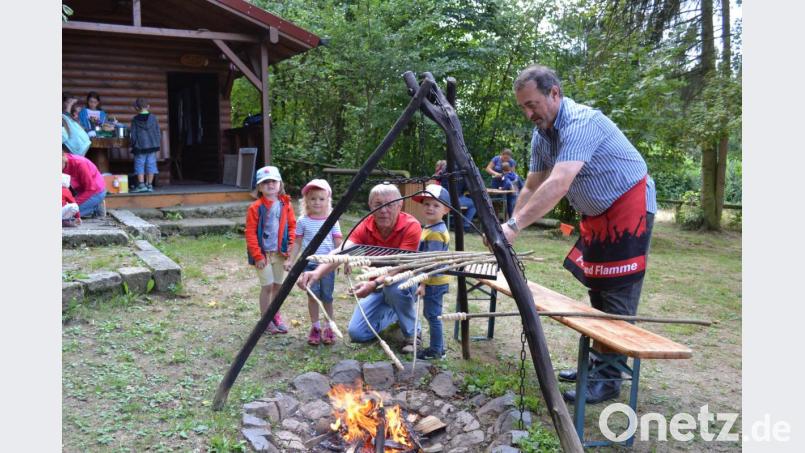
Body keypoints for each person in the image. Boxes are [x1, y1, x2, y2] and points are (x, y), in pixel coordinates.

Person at [501, 64, 657, 405]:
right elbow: (532, 184)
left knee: (617, 294)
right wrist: (509, 228)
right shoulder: (543, 134)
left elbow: (558, 183)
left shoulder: (582, 122)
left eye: (532, 104)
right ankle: (598, 364)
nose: (528, 113)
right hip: (598, 214)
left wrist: (514, 227)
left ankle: (608, 379)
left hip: (629, 207)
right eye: (523, 107)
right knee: (598, 290)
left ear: (554, 93)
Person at [297, 184, 423, 353]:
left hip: (402, 282)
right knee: (358, 333)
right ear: (370, 206)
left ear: (400, 206)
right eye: (378, 204)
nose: (383, 210)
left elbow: (402, 265)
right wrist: (317, 272)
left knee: (393, 287)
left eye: (390, 204)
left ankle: (413, 335)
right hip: (377, 287)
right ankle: (396, 311)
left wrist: (373, 284)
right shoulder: (366, 225)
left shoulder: (411, 226)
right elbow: (341, 251)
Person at [289, 179, 343, 346]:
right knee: (313, 296)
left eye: (321, 198)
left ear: (328, 201)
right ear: (306, 201)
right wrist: (290, 259)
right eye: (313, 198)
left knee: (327, 296)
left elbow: (339, 244)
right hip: (309, 264)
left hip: (327, 264)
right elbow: (297, 242)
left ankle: (328, 326)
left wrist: (345, 261)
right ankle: (315, 327)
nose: (317, 202)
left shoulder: (332, 220)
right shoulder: (303, 221)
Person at [245, 166, 296, 335]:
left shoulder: (285, 205)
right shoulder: (255, 207)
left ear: (279, 183)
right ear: (259, 187)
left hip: (280, 253)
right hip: (264, 255)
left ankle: (275, 315)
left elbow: (291, 227)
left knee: (278, 286)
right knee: (267, 286)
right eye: (265, 182)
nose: (270, 185)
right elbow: (251, 233)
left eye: (273, 181)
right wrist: (257, 256)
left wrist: (289, 251)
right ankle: (265, 319)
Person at [412, 184, 452, 360]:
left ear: (446, 210)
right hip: (433, 281)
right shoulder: (431, 228)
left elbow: (431, 262)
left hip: (433, 282)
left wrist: (422, 284)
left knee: (433, 315)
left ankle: (436, 350)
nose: (430, 208)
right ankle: (438, 347)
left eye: (436, 205)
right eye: (427, 204)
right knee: (431, 314)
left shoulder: (435, 233)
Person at [62, 148, 107, 218]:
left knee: (69, 214)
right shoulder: (64, 163)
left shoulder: (80, 163)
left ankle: (96, 206)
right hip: (81, 191)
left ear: (64, 158)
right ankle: (90, 206)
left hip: (95, 191)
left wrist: (74, 202)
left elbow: (91, 189)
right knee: (66, 211)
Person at [129, 98, 161, 193]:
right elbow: (158, 132)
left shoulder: (135, 120)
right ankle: (150, 185)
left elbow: (133, 135)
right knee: (151, 164)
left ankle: (141, 185)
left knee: (140, 165)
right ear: (148, 106)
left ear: (137, 108)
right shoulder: (154, 118)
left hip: (140, 147)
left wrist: (133, 144)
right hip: (152, 146)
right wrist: (156, 142)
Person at [434, 160, 476, 231]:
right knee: (474, 204)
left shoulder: (445, 170)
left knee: (462, 201)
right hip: (455, 199)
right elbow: (467, 188)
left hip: (443, 198)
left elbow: (437, 178)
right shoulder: (463, 173)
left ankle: (453, 222)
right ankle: (466, 225)